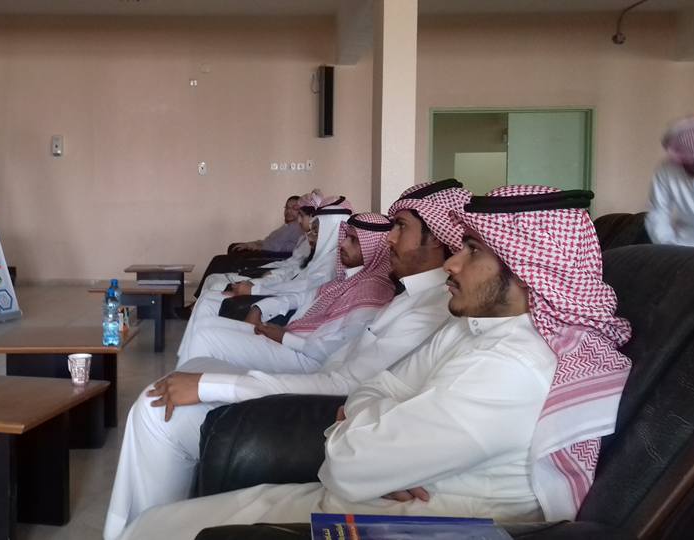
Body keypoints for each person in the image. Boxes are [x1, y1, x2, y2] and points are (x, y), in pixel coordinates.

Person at [114, 185, 632, 539]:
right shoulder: (474, 328)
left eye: (472, 250)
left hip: (399, 523)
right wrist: (373, 429)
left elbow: (350, 458)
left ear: (525, 267)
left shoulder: (513, 367)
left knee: (156, 530)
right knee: (154, 526)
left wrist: (363, 433)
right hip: (362, 499)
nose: (453, 261)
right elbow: (373, 388)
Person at [101, 180, 470, 540]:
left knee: (156, 409)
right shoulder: (411, 295)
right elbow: (356, 372)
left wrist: (212, 385)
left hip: (325, 410)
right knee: (181, 380)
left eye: (400, 227)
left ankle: (133, 529)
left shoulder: (433, 308)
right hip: (330, 398)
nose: (389, 238)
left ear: (437, 237)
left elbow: (343, 383)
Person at [177, 212, 396, 373]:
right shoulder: (349, 277)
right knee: (204, 326)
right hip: (293, 339)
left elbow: (339, 348)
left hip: (307, 359)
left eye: (353, 240)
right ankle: (183, 387)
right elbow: (302, 296)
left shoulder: (373, 291)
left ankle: (180, 391)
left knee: (205, 337)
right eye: (345, 237)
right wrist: (259, 307)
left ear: (373, 247)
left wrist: (285, 338)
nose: (343, 244)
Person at [176, 195, 352, 360]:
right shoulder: (322, 255)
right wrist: (257, 295)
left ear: (330, 231)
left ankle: (193, 369)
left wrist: (255, 291)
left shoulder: (332, 264)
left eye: (316, 231)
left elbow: (301, 290)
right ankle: (189, 367)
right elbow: (297, 282)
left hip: (292, 325)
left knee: (207, 310)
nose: (310, 236)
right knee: (207, 303)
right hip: (281, 305)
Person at [189, 194, 307, 303]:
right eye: (287, 208)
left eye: (294, 208)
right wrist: (251, 244)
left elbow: (275, 248)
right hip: (264, 252)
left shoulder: (296, 228)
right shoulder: (286, 227)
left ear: (301, 212)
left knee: (220, 260)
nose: (288, 211)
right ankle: (199, 300)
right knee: (224, 257)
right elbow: (267, 241)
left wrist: (255, 247)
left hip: (269, 258)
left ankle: (198, 301)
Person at [645, 116, 694, 249]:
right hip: (684, 249)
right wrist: (667, 244)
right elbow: (658, 212)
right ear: (680, 161)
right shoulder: (667, 171)